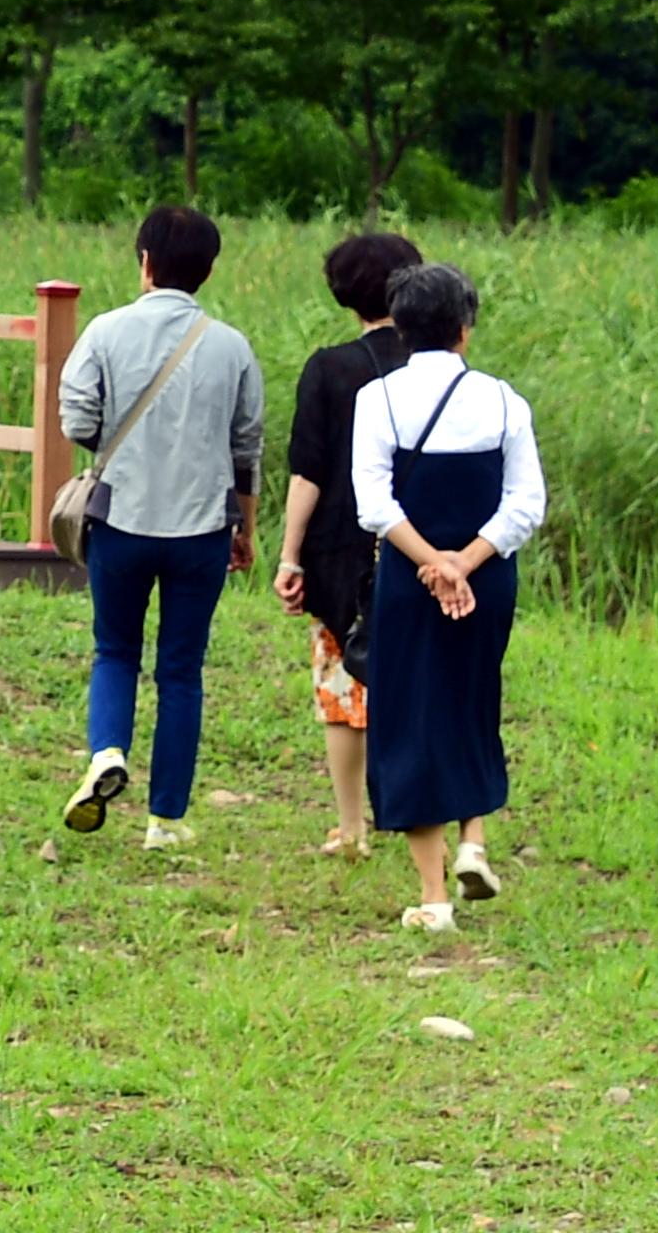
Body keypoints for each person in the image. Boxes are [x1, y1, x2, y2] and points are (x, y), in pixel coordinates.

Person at [55, 205, 264, 850]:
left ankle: (107, 752)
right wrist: (245, 529)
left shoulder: (105, 330)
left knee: (115, 649)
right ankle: (165, 819)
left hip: (121, 517)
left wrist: (114, 448)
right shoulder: (231, 346)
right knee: (181, 669)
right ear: (207, 270)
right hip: (202, 528)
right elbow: (247, 445)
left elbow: (75, 419)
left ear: (144, 261)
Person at [351, 261, 544, 932]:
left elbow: (373, 500)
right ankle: (476, 841)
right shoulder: (503, 401)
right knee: (472, 697)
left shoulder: (376, 400)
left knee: (408, 716)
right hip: (487, 580)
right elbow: (527, 503)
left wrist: (433, 562)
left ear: (401, 329)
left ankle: (433, 897)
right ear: (465, 328)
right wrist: (466, 561)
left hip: (410, 578)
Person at [271, 230, 423, 859]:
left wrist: (289, 555)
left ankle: (352, 826)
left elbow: (308, 471)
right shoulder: (432, 367)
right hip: (426, 548)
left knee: (343, 687)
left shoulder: (329, 369)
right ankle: (424, 814)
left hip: (341, 551)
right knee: (417, 684)